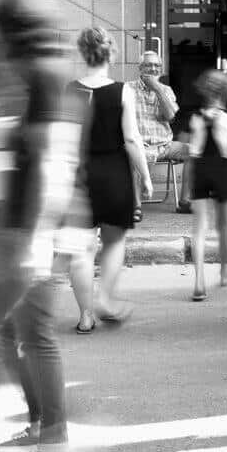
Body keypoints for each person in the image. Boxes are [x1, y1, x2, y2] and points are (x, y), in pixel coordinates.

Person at [0, 0, 85, 452]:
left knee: (15, 334)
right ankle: (43, 433)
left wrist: (31, 238)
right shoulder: (37, 74)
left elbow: (52, 162)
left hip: (34, 228)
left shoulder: (42, 76)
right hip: (31, 226)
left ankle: (53, 446)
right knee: (20, 333)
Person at [64, 27, 150, 334]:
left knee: (80, 250)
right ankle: (105, 299)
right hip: (114, 174)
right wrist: (145, 176)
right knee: (114, 243)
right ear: (111, 53)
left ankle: (85, 315)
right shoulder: (123, 91)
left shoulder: (70, 91)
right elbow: (132, 139)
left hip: (80, 176)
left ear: (82, 53)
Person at [186, 69, 227, 301]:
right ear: (226, 92)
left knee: (199, 229)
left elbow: (190, 151)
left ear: (204, 90)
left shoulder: (194, 117)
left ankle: (199, 282)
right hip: (222, 171)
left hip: (200, 170)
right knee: (223, 227)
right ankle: (224, 273)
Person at [127, 51, 185, 206]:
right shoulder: (127, 89)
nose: (153, 69)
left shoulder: (167, 90)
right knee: (132, 155)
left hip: (165, 145)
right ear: (140, 68)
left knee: (196, 151)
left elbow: (170, 117)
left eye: (157, 65)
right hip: (139, 145)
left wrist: (158, 90)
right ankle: (135, 207)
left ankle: (185, 200)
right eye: (149, 65)